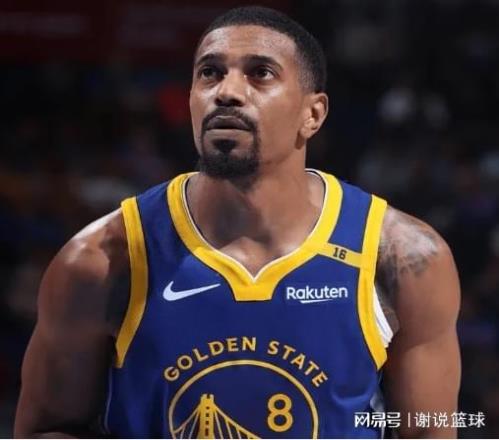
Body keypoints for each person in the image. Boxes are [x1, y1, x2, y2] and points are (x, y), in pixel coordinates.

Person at [14, 6, 460, 439]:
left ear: (313, 114)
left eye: (260, 73)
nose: (226, 91)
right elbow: (43, 430)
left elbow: (431, 430)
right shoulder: (101, 260)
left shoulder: (403, 258)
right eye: (209, 73)